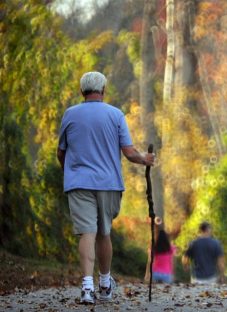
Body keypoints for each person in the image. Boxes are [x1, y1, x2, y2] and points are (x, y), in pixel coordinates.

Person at [57, 71, 155, 304]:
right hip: (108, 183)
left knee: (86, 233)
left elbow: (61, 152)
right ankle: (104, 283)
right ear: (103, 90)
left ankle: (87, 287)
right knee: (104, 232)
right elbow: (129, 152)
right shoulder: (116, 115)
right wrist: (146, 160)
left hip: (79, 183)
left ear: (82, 91)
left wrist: (70, 172)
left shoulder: (70, 115)